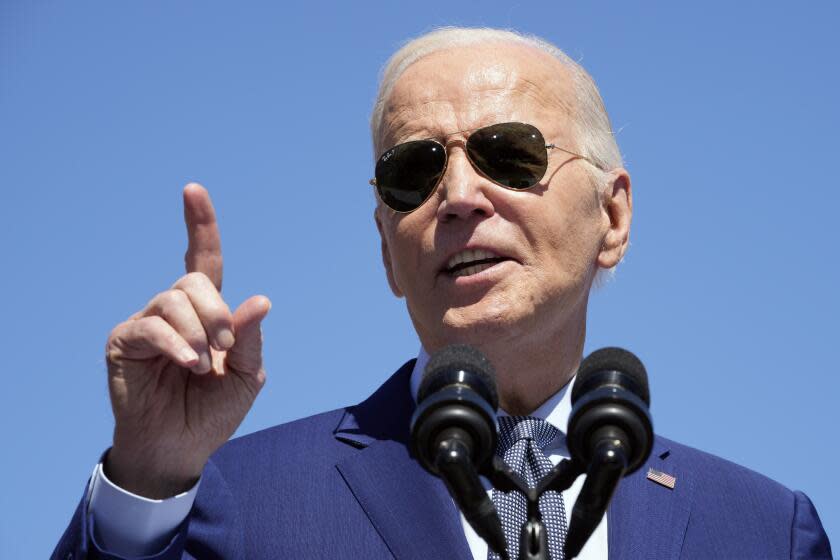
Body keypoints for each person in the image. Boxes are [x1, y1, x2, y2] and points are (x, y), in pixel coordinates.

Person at [52, 27, 831, 560]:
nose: (457, 194)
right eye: (413, 172)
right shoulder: (238, 500)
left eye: (508, 153)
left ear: (613, 215)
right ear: (387, 249)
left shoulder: (762, 528)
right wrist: (146, 479)